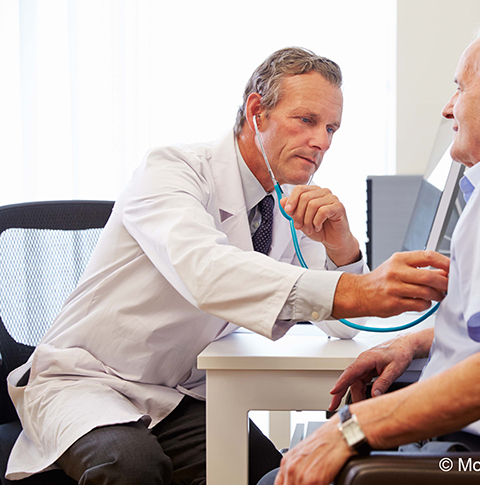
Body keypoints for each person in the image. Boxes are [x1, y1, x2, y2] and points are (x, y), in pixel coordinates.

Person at [4, 47, 449, 484]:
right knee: (130, 466)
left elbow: (341, 327)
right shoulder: (172, 170)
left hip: (174, 396)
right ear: (257, 111)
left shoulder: (286, 206)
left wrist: (343, 249)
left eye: (332, 128)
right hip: (87, 383)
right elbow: (207, 271)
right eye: (307, 120)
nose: (322, 142)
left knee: (270, 474)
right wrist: (364, 290)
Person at [267, 19, 480, 485]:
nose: (448, 107)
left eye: (459, 87)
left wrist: (350, 433)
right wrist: (413, 341)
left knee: (283, 472)